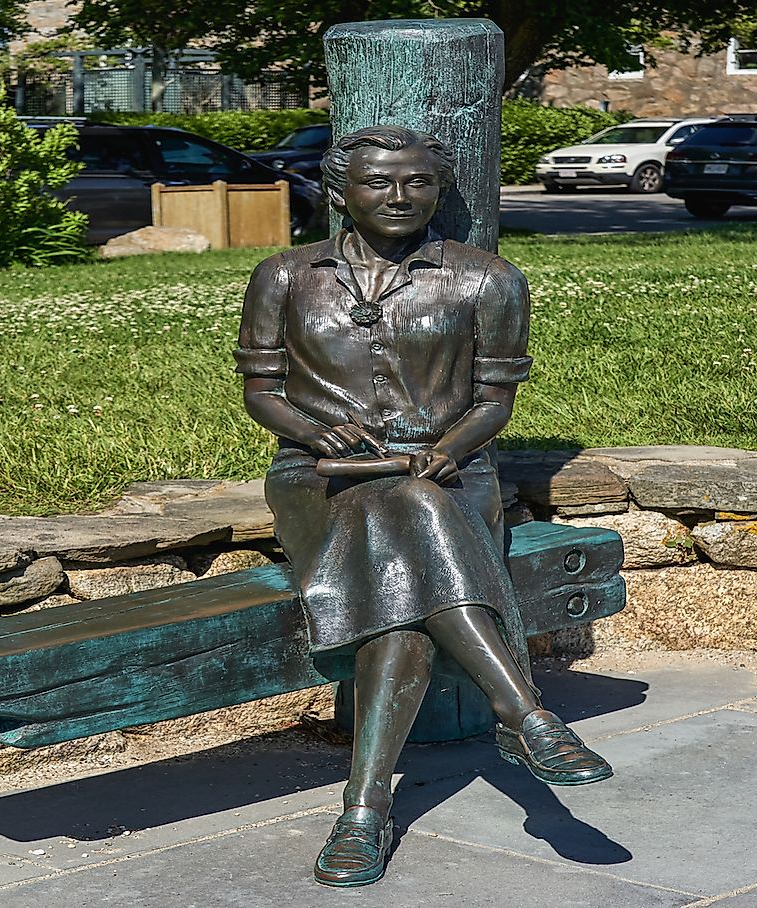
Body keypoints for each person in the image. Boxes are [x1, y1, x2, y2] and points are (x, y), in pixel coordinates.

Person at [235, 125, 613, 889]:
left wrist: (450, 447)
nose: (399, 197)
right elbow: (259, 390)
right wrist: (314, 430)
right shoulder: (283, 276)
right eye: (379, 182)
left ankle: (364, 810)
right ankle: (525, 713)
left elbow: (494, 401)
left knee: (403, 594)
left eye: (418, 182)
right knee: (407, 517)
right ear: (342, 191)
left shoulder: (485, 279)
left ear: (440, 191)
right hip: (321, 476)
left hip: (449, 472)